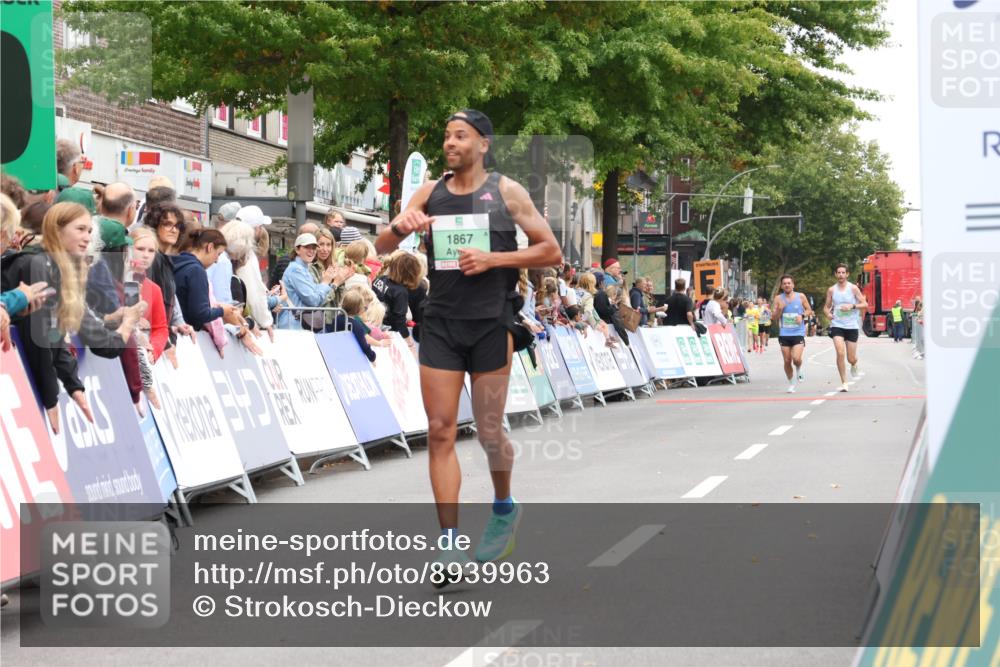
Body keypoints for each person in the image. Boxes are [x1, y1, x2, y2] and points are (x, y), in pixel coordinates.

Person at [374, 109, 561, 584]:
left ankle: (503, 508)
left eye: (461, 136)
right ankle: (449, 545)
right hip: (441, 323)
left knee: (490, 430)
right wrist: (402, 227)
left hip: (490, 323)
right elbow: (379, 246)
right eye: (446, 136)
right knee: (439, 430)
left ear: (483, 144)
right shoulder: (429, 192)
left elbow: (550, 251)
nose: (450, 143)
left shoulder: (506, 191)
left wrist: (494, 257)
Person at [1, 203, 144, 433]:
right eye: (80, 229)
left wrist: (73, 385)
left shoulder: (61, 269)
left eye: (89, 231)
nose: (87, 237)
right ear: (57, 231)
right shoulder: (35, 264)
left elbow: (57, 333)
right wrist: (51, 398)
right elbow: (38, 336)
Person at [171, 227, 243, 332]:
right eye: (218, 254)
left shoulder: (175, 262)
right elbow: (200, 314)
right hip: (188, 334)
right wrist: (222, 311)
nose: (217, 261)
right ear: (210, 247)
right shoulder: (196, 271)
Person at [280, 232, 341, 331]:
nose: (311, 251)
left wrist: (329, 283)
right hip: (294, 327)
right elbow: (313, 300)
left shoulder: (303, 268)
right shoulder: (296, 269)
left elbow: (317, 298)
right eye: (307, 247)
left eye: (313, 248)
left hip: (300, 326)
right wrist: (326, 282)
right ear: (297, 249)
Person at [824, 263, 867, 391]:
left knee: (851, 358)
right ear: (836, 274)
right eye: (839, 272)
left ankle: (854, 364)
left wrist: (852, 306)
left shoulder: (853, 288)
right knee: (840, 352)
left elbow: (864, 304)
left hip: (852, 326)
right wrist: (828, 314)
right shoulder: (832, 290)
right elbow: (826, 307)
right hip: (837, 325)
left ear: (847, 274)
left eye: (843, 272)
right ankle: (844, 382)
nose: (841, 275)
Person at [372, 251, 422, 351]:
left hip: (372, 327)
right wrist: (409, 342)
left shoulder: (381, 278)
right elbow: (398, 321)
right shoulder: (400, 292)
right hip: (387, 334)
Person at [772, 274, 813, 393]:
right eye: (784, 283)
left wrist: (802, 315)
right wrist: (780, 309)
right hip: (784, 333)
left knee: (796, 358)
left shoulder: (801, 296)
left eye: (789, 283)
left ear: (793, 284)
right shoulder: (778, 299)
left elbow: (809, 310)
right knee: (787, 360)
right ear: (781, 286)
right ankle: (791, 383)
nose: (787, 285)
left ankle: (799, 368)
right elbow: (774, 317)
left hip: (798, 332)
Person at [341, 288, 378, 363]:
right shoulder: (357, 325)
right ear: (359, 309)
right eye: (364, 307)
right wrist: (372, 356)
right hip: (349, 358)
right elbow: (364, 344)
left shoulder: (336, 319)